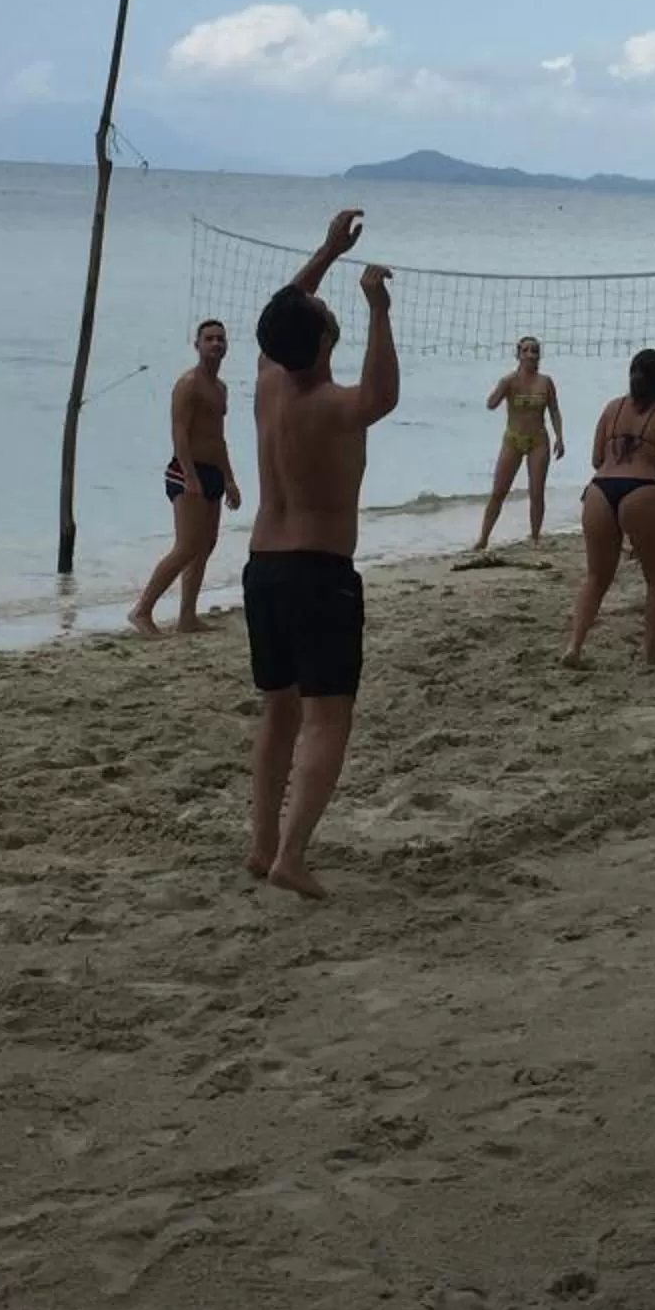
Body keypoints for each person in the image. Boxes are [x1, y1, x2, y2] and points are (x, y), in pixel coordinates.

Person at [242, 208, 398, 901]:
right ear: (326, 337)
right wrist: (379, 310)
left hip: (262, 570)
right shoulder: (333, 405)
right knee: (328, 716)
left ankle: (261, 844)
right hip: (319, 572)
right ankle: (292, 856)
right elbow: (383, 394)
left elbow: (286, 313)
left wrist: (327, 250)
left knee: (278, 712)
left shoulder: (268, 383)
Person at [560, 348, 655, 669]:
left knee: (595, 577)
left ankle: (574, 647)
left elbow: (596, 459)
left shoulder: (612, 408)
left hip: (599, 492)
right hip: (642, 492)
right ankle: (649, 656)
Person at [129, 318, 241, 635]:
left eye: (221, 339)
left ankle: (187, 617)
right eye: (209, 339)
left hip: (213, 472)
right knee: (187, 546)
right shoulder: (189, 384)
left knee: (206, 545)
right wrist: (190, 476)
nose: (216, 344)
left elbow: (217, 438)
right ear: (197, 345)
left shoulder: (220, 388)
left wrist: (229, 478)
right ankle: (142, 610)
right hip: (186, 471)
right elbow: (179, 432)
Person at [472, 336, 565, 549]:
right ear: (518, 355)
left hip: (538, 439)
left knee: (536, 492)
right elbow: (490, 404)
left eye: (534, 351)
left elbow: (554, 410)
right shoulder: (510, 381)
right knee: (498, 491)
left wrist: (560, 437)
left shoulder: (546, 382)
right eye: (526, 351)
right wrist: (502, 389)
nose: (531, 354)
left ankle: (534, 536)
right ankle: (483, 538)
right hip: (513, 439)